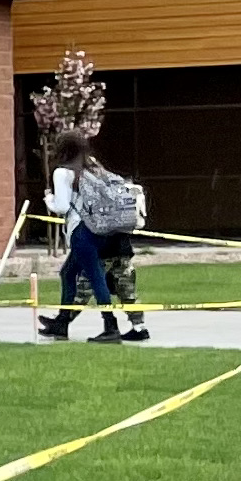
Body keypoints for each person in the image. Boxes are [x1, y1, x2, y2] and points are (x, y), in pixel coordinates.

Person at [36, 136, 151, 343]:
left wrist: (49, 200)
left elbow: (62, 207)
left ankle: (110, 326)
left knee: (96, 278)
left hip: (82, 232)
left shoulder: (62, 173)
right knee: (68, 273)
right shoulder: (92, 168)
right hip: (101, 230)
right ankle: (62, 322)